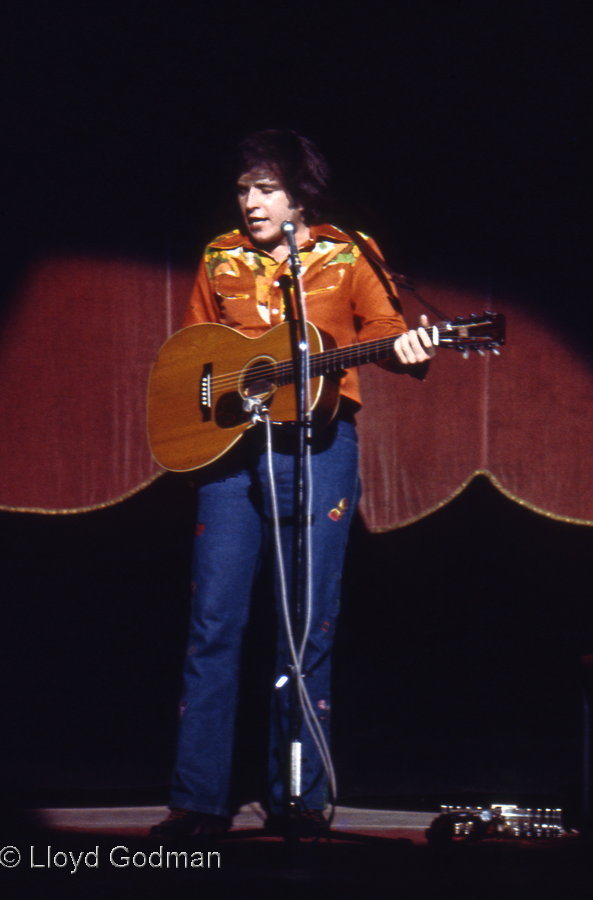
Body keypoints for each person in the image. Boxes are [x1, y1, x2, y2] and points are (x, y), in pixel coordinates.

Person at [151, 129, 435, 838]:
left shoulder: (346, 253)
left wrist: (410, 347)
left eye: (267, 188)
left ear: (300, 194)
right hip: (229, 459)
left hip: (320, 446)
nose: (251, 202)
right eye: (245, 188)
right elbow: (191, 355)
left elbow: (389, 330)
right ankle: (198, 802)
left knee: (306, 626)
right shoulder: (219, 256)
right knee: (213, 624)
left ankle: (298, 800)